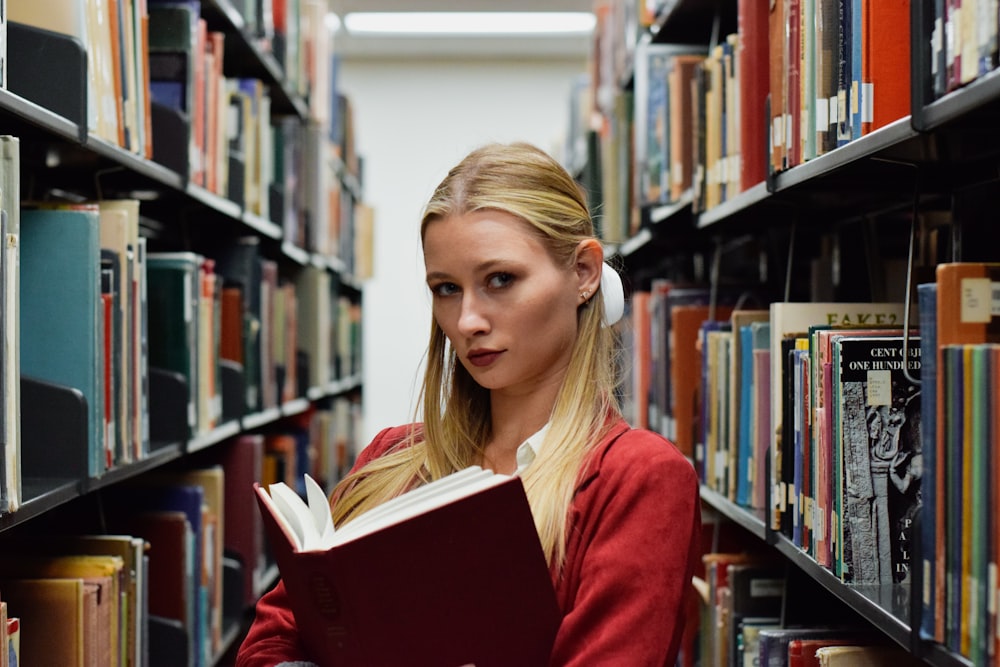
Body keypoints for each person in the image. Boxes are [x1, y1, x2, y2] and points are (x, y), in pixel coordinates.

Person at [236, 142, 701, 666]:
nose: (467, 321)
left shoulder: (639, 477)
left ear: (584, 273)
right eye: (447, 289)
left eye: (500, 280)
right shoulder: (391, 460)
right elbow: (269, 641)